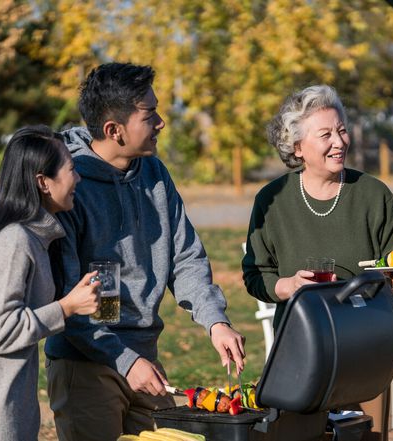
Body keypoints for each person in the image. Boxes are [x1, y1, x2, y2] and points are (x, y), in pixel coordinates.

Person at [44, 62, 246, 440]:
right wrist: (124, 360)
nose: (161, 122)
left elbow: (185, 257)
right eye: (149, 113)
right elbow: (64, 296)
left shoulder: (154, 172)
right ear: (114, 130)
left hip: (144, 363)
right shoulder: (70, 183)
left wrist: (215, 320)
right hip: (84, 362)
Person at [242, 84, 393, 441]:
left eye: (342, 130)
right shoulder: (272, 201)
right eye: (326, 134)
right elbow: (256, 275)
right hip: (302, 351)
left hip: (365, 348)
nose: (340, 141)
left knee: (366, 436)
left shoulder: (373, 194)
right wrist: (287, 286)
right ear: (298, 147)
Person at [0, 126, 100, 441]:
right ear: (43, 182)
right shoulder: (15, 241)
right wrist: (67, 307)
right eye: (71, 170)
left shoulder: (28, 236)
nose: (79, 179)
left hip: (3, 412)